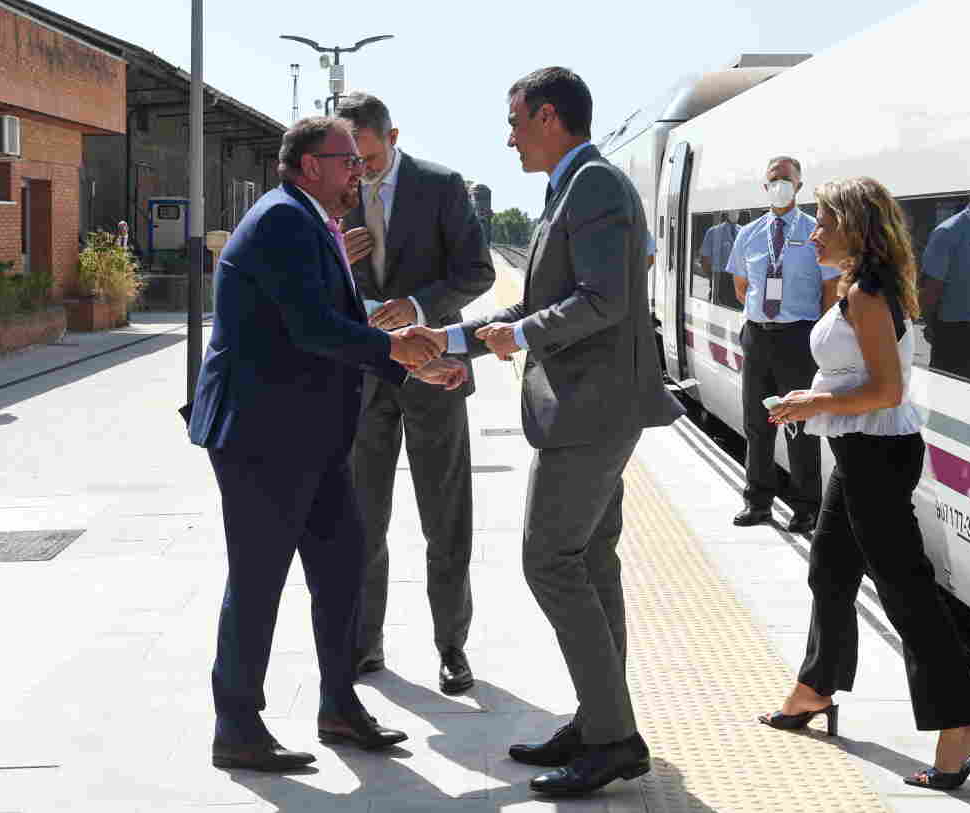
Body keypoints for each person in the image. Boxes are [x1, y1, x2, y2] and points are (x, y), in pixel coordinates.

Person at [415, 67, 685, 796]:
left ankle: (614, 737)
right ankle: (602, 719)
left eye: (514, 123)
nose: (508, 139)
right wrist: (445, 339)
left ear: (546, 116)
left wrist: (523, 334)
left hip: (591, 412)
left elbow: (603, 300)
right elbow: (538, 301)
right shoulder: (574, 186)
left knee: (550, 560)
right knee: (592, 562)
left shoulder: (592, 185)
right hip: (588, 408)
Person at [184, 116, 466, 772]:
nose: (358, 171)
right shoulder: (284, 219)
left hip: (310, 435)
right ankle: (238, 725)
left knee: (342, 568)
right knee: (258, 580)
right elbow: (312, 327)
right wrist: (397, 349)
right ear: (310, 164)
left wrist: (411, 362)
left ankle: (339, 704)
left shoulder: (311, 218)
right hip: (263, 436)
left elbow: (331, 322)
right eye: (347, 161)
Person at [760, 177, 970, 791]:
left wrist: (812, 403)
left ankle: (962, 727)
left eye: (822, 222)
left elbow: (888, 391)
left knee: (904, 591)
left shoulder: (866, 295)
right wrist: (811, 401)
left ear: (853, 228)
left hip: (877, 453)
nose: (813, 232)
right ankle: (816, 688)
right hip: (862, 448)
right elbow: (858, 376)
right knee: (830, 569)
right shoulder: (856, 289)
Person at [336, 91, 495, 694]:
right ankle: (364, 643)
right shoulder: (336, 191)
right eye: (353, 161)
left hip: (435, 370)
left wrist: (419, 306)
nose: (361, 172)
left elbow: (477, 271)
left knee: (445, 517)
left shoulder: (442, 185)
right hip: (365, 374)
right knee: (362, 518)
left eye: (370, 159)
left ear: (392, 136)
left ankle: (452, 646)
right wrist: (334, 258)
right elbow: (315, 284)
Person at [728, 157, 840, 534]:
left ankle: (806, 506)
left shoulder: (814, 233)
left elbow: (829, 289)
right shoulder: (749, 234)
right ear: (765, 186)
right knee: (758, 424)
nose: (779, 185)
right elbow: (741, 286)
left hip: (797, 339)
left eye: (786, 180)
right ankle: (757, 501)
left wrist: (816, 335)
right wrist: (762, 314)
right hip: (758, 336)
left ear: (799, 185)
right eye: (773, 180)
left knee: (799, 425)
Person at [920, 194, 970, 382]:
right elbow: (930, 291)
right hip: (961, 335)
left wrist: (931, 325)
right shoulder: (949, 231)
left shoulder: (949, 230)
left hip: (961, 336)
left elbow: (930, 291)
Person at [700, 210, 740, 306]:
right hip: (720, 280)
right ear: (726, 212)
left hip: (738, 280)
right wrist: (713, 278)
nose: (735, 213)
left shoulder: (743, 231)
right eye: (733, 211)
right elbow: (705, 260)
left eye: (737, 211)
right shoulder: (713, 231)